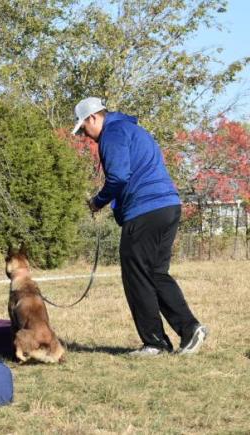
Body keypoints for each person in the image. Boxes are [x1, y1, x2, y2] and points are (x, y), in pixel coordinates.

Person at [72, 97, 207, 356]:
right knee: (156, 273)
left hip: (145, 210)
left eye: (84, 129)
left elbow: (119, 177)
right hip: (168, 206)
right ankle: (190, 330)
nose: (85, 136)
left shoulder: (112, 133)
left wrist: (98, 202)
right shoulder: (134, 129)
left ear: (93, 118)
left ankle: (155, 343)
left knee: (136, 275)